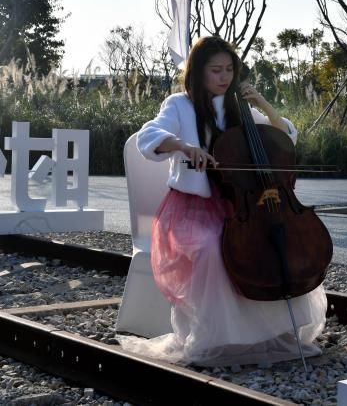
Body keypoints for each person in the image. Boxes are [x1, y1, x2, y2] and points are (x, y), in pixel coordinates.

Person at [116, 36, 326, 367]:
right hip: (191, 210)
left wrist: (265, 106)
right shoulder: (179, 105)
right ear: (198, 72)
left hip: (239, 207)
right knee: (213, 249)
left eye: (229, 69)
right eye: (216, 70)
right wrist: (183, 146)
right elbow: (148, 136)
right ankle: (217, 337)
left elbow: (284, 137)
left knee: (267, 246)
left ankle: (271, 334)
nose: (224, 77)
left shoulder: (237, 108)